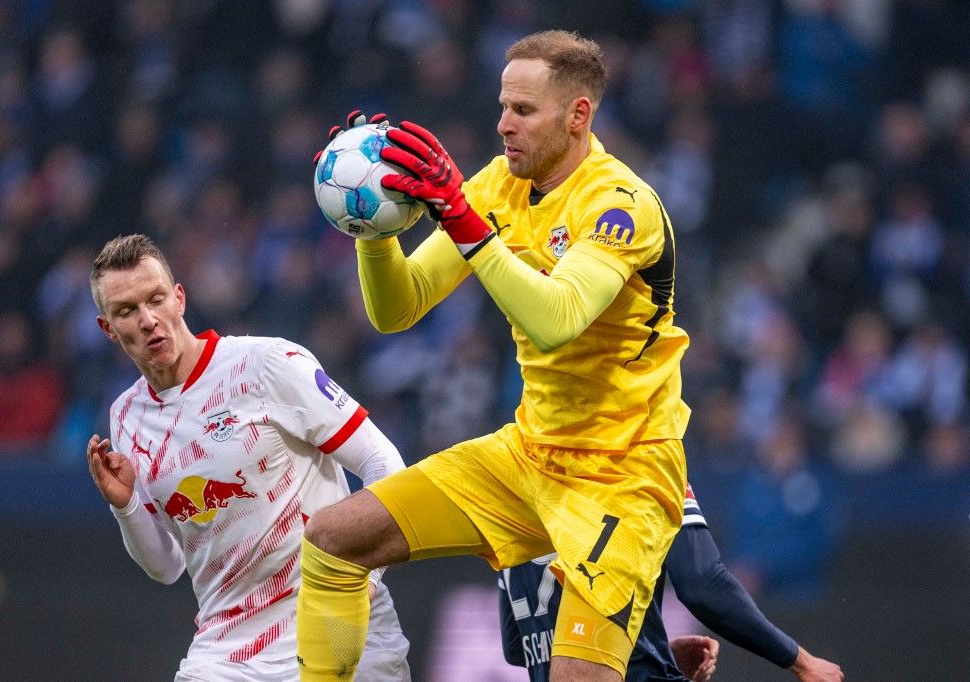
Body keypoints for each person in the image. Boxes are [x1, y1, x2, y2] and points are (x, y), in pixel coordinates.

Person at [298, 30, 692, 680]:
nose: (503, 124)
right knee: (334, 540)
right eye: (503, 106)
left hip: (620, 479)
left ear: (577, 116)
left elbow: (557, 320)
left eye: (524, 111)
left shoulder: (620, 206)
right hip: (529, 455)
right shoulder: (499, 186)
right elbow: (398, 310)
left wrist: (460, 218)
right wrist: (375, 228)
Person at [85, 234, 410, 681]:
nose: (147, 320)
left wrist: (365, 581)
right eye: (126, 310)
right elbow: (166, 566)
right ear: (107, 327)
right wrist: (125, 506)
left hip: (338, 621)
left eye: (156, 299)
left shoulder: (267, 364)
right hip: (227, 653)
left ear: (179, 299)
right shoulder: (127, 417)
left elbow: (384, 462)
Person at [499, 483, 845, 681]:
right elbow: (703, 585)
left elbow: (518, 647)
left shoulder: (513, 481)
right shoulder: (645, 461)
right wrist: (800, 660)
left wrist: (646, 647)